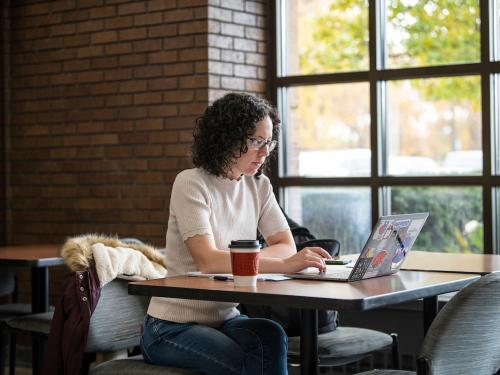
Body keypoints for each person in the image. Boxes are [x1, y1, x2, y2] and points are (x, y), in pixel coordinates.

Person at [140, 92, 332, 375]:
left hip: (224, 319)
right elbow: (208, 261)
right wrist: (281, 265)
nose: (265, 152)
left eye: (268, 142)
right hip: (170, 327)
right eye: (256, 141)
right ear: (227, 138)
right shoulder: (191, 183)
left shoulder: (259, 185)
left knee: (270, 334)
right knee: (249, 363)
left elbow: (285, 245)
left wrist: (262, 260)